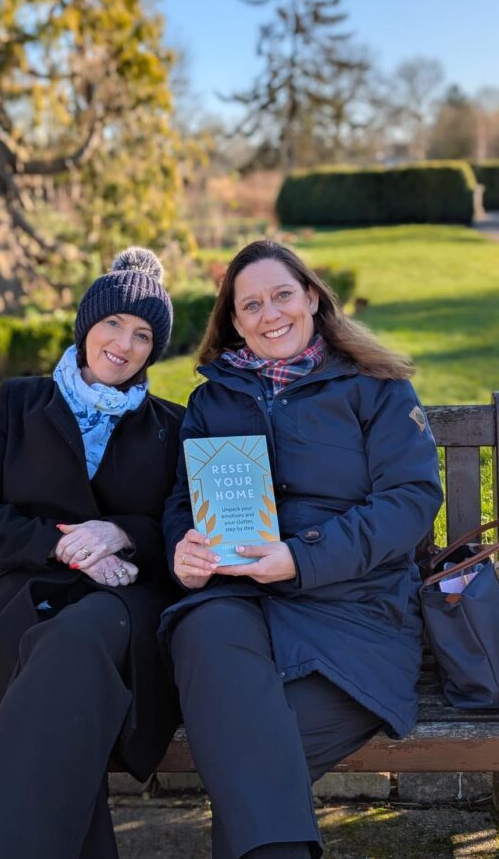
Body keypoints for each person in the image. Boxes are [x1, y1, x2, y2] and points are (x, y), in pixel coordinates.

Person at [162, 240, 444, 859]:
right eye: (252, 304)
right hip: (237, 603)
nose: (270, 315)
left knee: (251, 752)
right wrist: (183, 549)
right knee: (202, 632)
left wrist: (302, 555)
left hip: (353, 612)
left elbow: (411, 499)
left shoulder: (376, 388)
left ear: (312, 297)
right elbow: (185, 502)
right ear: (234, 321)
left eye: (283, 295)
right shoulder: (213, 402)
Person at [0, 248, 185, 859]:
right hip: (19, 597)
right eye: (112, 325)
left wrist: (120, 533)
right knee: (51, 671)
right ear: (86, 325)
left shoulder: (171, 425)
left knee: (73, 644)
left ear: (153, 351)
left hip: (123, 605)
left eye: (142, 335)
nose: (123, 345)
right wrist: (64, 547)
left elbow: (180, 527)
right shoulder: (17, 403)